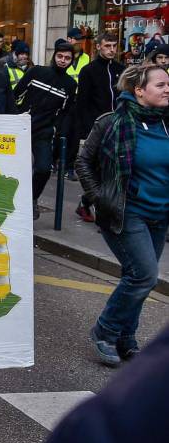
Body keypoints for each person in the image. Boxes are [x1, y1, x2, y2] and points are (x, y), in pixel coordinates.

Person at [76, 63, 168, 367]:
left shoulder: (166, 124)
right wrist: (98, 197)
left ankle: (127, 338)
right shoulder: (112, 123)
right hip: (126, 213)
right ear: (139, 91)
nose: (168, 89)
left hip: (160, 214)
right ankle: (105, 331)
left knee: (140, 279)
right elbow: (83, 162)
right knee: (143, 275)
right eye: (161, 84)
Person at [14, 40, 78, 220]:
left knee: (43, 169)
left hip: (44, 132)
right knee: (14, 168)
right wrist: (17, 116)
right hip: (22, 127)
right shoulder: (36, 72)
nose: (63, 60)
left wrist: (57, 132)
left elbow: (66, 113)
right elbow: (16, 94)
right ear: (54, 56)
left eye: (67, 58)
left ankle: (31, 199)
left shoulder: (70, 85)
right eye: (60, 56)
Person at [73, 32, 125, 221]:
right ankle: (97, 206)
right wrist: (86, 130)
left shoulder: (121, 69)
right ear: (98, 47)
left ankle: (89, 203)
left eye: (114, 46)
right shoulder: (89, 71)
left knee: (112, 170)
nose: (111, 50)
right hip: (97, 128)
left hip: (118, 126)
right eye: (107, 46)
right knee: (99, 169)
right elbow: (82, 103)